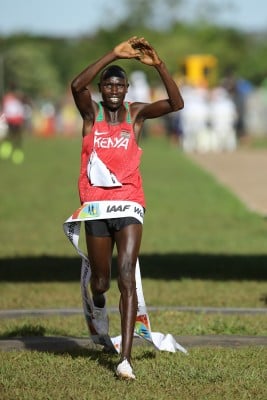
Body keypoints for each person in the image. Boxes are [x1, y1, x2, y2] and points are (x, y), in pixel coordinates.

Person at [71, 36, 184, 380]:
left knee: (126, 277)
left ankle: (125, 360)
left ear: (127, 88)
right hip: (96, 207)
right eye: (108, 84)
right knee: (103, 282)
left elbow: (176, 104)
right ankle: (97, 303)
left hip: (130, 201)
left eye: (120, 84)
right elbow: (77, 85)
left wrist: (159, 64)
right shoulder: (92, 113)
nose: (114, 90)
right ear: (102, 88)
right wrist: (113, 55)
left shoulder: (136, 113)